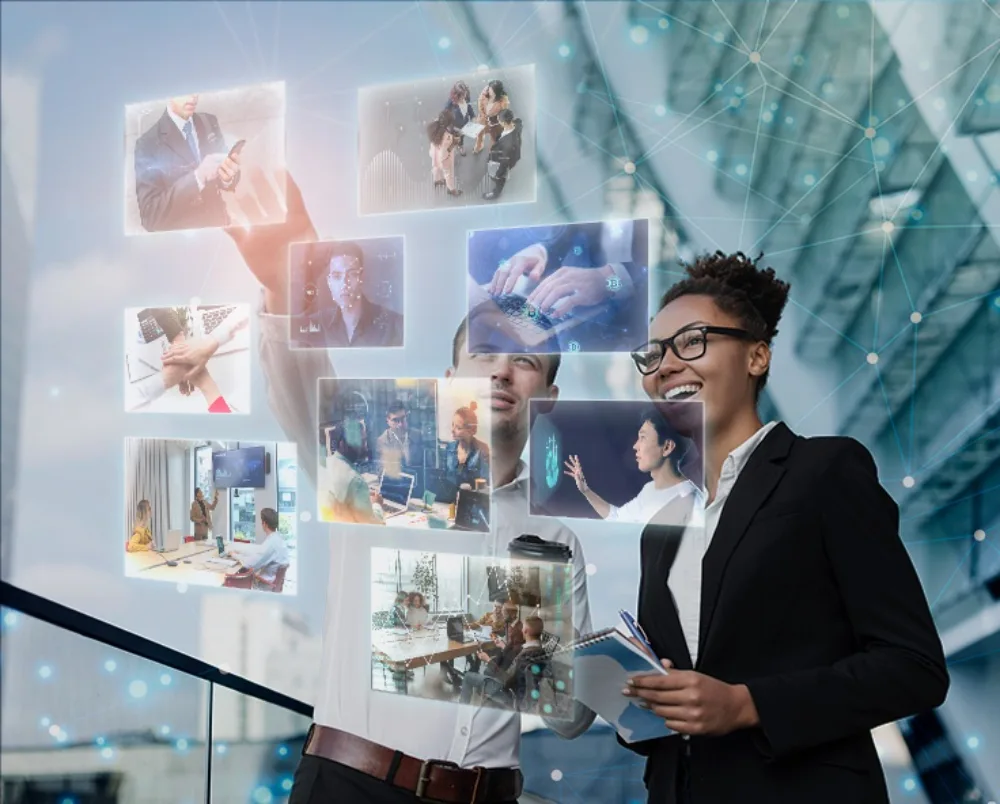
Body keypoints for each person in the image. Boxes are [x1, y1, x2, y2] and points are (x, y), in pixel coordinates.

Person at [223, 169, 593, 802]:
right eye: (487, 352)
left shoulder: (554, 538)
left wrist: (581, 669)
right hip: (354, 785)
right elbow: (298, 383)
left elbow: (567, 720)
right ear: (451, 372)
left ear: (548, 399)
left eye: (526, 360)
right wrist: (288, 287)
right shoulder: (376, 466)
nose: (503, 369)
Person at [618, 251, 949, 803]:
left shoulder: (824, 473)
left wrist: (747, 704)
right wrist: (641, 694)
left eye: (692, 342)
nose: (666, 366)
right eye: (652, 354)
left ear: (757, 356)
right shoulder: (662, 524)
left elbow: (913, 667)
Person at [563, 406, 702, 525]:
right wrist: (585, 490)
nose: (636, 446)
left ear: (667, 447)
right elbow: (617, 517)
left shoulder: (692, 500)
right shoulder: (648, 491)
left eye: (643, 438)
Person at [133, 93, 241, 232]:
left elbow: (225, 178)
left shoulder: (208, 121)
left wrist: (228, 177)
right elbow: (150, 217)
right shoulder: (147, 144)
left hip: (221, 227)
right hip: (183, 242)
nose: (193, 98)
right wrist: (197, 177)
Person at [290, 241, 404, 348]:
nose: (345, 284)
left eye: (352, 274)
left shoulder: (394, 325)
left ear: (361, 278)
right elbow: (280, 330)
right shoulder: (320, 323)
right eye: (336, 276)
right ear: (329, 283)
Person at [460, 616, 548, 709]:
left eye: (523, 628)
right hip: (521, 692)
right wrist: (504, 646)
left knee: (468, 677)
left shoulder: (524, 656)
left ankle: (461, 713)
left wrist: (488, 660)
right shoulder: (539, 651)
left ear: (526, 631)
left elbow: (506, 679)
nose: (521, 630)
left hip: (507, 692)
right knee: (485, 674)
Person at [319, 419, 384, 525]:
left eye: (364, 441)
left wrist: (363, 497)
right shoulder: (356, 481)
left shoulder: (327, 463)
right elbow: (373, 525)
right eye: (358, 442)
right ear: (342, 443)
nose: (363, 447)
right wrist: (377, 505)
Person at [227, 507, 290, 590]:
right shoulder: (277, 538)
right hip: (273, 582)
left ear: (264, 523)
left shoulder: (271, 544)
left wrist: (234, 555)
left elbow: (250, 564)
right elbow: (259, 553)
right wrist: (240, 552)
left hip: (264, 585)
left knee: (228, 579)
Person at [444, 401, 490, 490]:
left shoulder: (482, 449)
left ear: (471, 431)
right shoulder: (449, 447)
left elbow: (486, 483)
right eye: (452, 425)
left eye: (458, 428)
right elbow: (442, 479)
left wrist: (470, 489)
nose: (452, 430)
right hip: (449, 500)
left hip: (472, 500)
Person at [483, 110, 522, 202]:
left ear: (504, 123)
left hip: (502, 159)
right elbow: (519, 122)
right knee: (505, 169)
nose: (498, 122)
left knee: (500, 179)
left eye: (499, 120)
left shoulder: (508, 144)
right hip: (510, 155)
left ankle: (496, 193)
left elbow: (504, 162)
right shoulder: (516, 125)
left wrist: (498, 174)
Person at [427, 110, 462, 197]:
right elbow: (445, 151)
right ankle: (451, 189)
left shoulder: (435, 125)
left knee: (435, 167)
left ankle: (437, 180)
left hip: (434, 153)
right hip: (443, 158)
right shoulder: (447, 137)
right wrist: (454, 142)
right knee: (448, 173)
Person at [474, 80, 510, 154]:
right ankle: (479, 146)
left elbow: (503, 113)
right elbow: (480, 102)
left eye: (491, 90)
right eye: (489, 88)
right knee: (480, 134)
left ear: (496, 92)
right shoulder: (485, 92)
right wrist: (483, 114)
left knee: (494, 139)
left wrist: (499, 121)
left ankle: (492, 153)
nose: (489, 90)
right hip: (483, 120)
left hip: (495, 123)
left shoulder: (503, 101)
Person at [375, 400, 412, 470]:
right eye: (395, 420)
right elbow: (383, 471)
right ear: (388, 421)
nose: (400, 424)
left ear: (407, 417)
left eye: (403, 418)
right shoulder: (383, 441)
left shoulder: (418, 436)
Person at [444, 81, 474, 156]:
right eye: (462, 95)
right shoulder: (451, 103)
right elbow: (445, 113)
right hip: (454, 126)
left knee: (461, 138)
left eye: (465, 94)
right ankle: (449, 151)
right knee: (452, 139)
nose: (464, 97)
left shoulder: (466, 99)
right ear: (456, 96)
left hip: (464, 125)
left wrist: (473, 116)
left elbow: (469, 107)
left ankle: (460, 146)